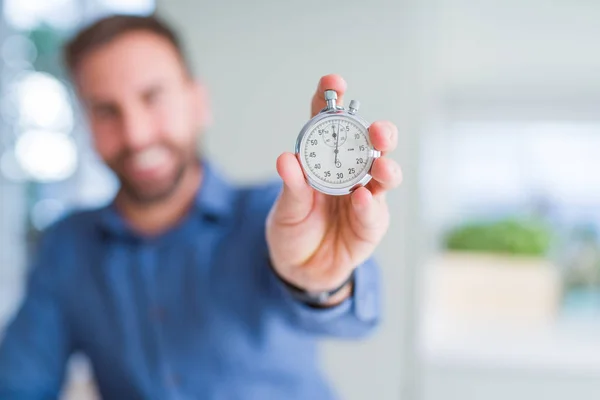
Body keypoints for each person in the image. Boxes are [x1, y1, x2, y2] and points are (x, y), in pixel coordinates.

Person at [0, 14, 402, 400]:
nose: (136, 134)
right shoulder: (67, 247)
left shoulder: (277, 213)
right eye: (106, 111)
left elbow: (359, 321)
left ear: (198, 102)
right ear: (86, 123)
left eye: (152, 97)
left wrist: (319, 284)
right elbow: (18, 385)